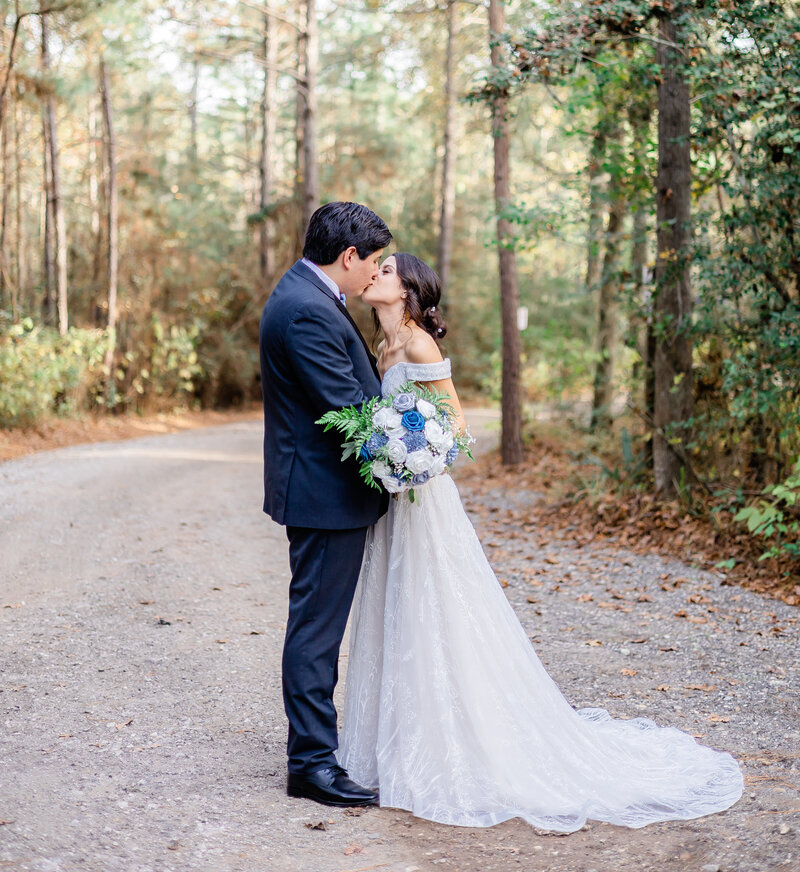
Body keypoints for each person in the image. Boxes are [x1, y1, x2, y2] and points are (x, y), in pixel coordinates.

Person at [338, 252, 744, 831]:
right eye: (373, 270)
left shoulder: (421, 346)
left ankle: (457, 742)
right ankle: (399, 742)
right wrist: (386, 457)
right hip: (393, 503)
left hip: (424, 501)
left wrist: (416, 461)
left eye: (385, 272)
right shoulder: (381, 346)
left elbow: (455, 428)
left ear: (405, 291)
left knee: (438, 614)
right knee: (395, 613)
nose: (374, 275)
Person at [259, 201, 391, 808]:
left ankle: (315, 753)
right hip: (323, 497)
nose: (377, 275)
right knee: (316, 631)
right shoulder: (306, 312)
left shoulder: (309, 296)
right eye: (376, 263)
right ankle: (311, 764)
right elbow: (347, 412)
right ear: (348, 257)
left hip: (326, 494)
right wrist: (407, 450)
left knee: (317, 625)